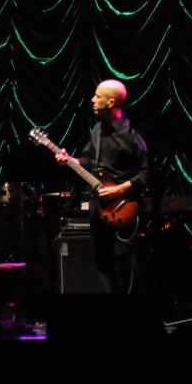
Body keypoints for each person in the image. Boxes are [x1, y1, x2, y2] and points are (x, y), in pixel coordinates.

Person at [54, 79, 149, 294]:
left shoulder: (132, 134)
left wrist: (120, 189)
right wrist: (70, 160)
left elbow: (145, 173)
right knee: (103, 264)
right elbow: (88, 163)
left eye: (98, 96)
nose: (92, 100)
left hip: (124, 209)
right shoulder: (97, 129)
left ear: (111, 102)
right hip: (99, 208)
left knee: (127, 265)